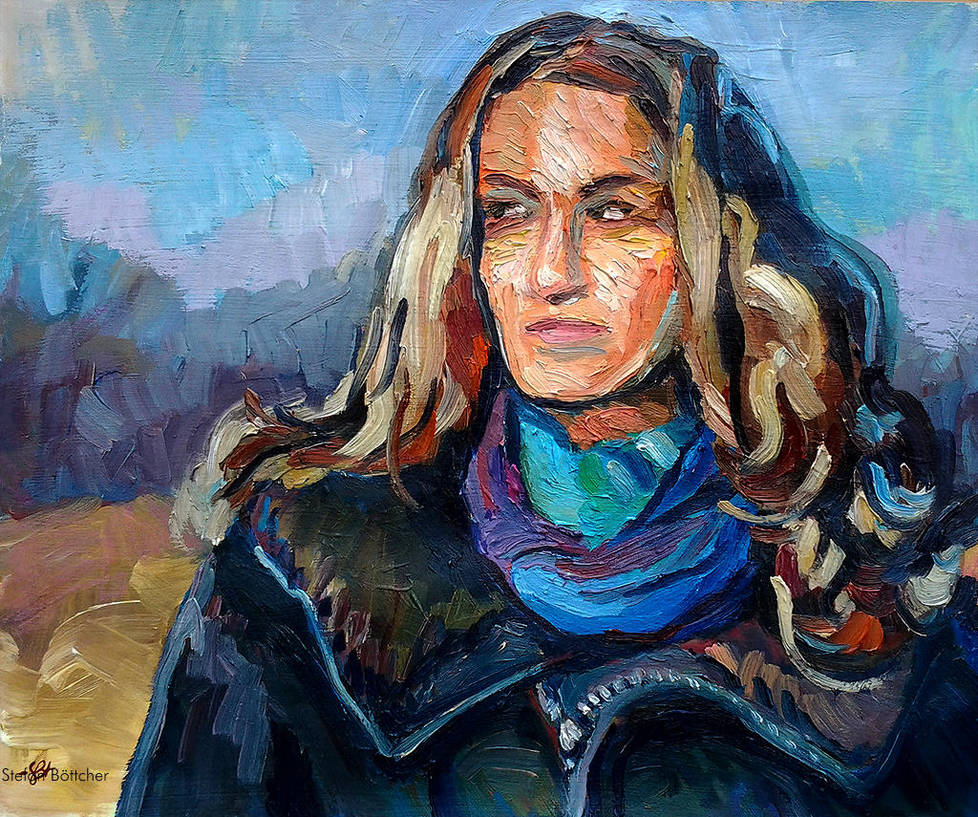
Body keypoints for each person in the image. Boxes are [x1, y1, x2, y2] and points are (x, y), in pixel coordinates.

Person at [118, 14, 978, 817]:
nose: (551, 272)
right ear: (463, 253)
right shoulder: (296, 569)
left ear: (716, 245)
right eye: (507, 213)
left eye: (613, 211)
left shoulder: (883, 589)